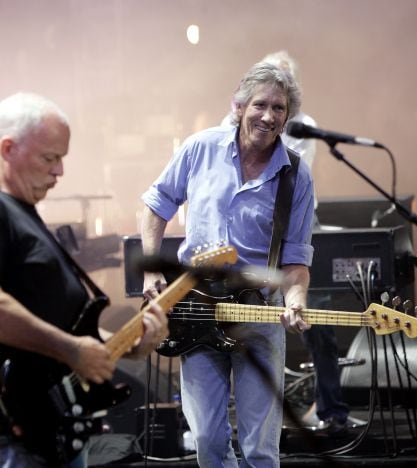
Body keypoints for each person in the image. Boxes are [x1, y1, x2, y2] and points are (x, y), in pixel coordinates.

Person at [0, 92, 169, 468]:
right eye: (50, 158)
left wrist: (133, 346)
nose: (59, 171)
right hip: (17, 430)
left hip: (52, 425)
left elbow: (65, 328)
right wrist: (72, 350)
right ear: (8, 148)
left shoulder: (18, 208)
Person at [141, 62, 315, 466]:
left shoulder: (296, 176)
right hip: (195, 309)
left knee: (259, 447)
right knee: (206, 439)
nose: (269, 117)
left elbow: (296, 260)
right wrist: (152, 269)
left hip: (258, 316)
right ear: (238, 106)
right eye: (260, 105)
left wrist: (296, 298)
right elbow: (154, 205)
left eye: (279, 109)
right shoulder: (200, 148)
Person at [262, 50, 350, 433]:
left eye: (283, 80)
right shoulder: (234, 121)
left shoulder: (303, 127)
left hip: (298, 223)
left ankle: (331, 409)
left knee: (318, 318)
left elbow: (284, 174)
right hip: (256, 229)